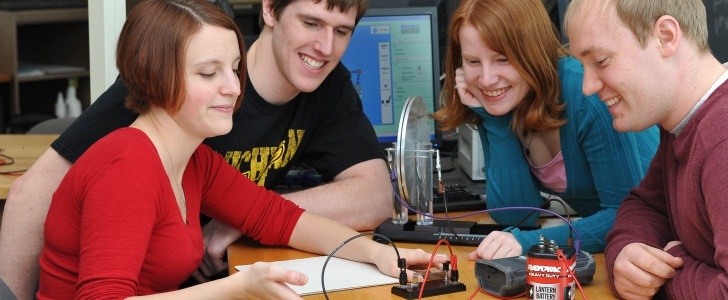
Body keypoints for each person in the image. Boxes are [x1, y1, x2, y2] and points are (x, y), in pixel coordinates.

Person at [37, 1, 444, 298]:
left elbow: (279, 217)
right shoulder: (128, 165)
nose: (234, 88)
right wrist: (237, 288)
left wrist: (380, 255)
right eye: (209, 73)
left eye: (235, 70)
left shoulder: (195, 160)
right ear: (156, 77)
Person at [564, 0, 728, 298]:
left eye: (600, 61)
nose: (587, 86)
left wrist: (671, 273)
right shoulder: (685, 119)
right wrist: (629, 254)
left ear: (665, 36)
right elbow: (647, 205)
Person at [432, 0, 659, 260]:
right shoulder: (505, 102)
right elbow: (516, 214)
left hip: (658, 243)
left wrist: (532, 242)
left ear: (532, 52)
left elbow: (627, 216)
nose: (486, 79)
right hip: (611, 250)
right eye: (473, 61)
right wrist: (494, 121)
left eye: (502, 59)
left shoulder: (586, 95)